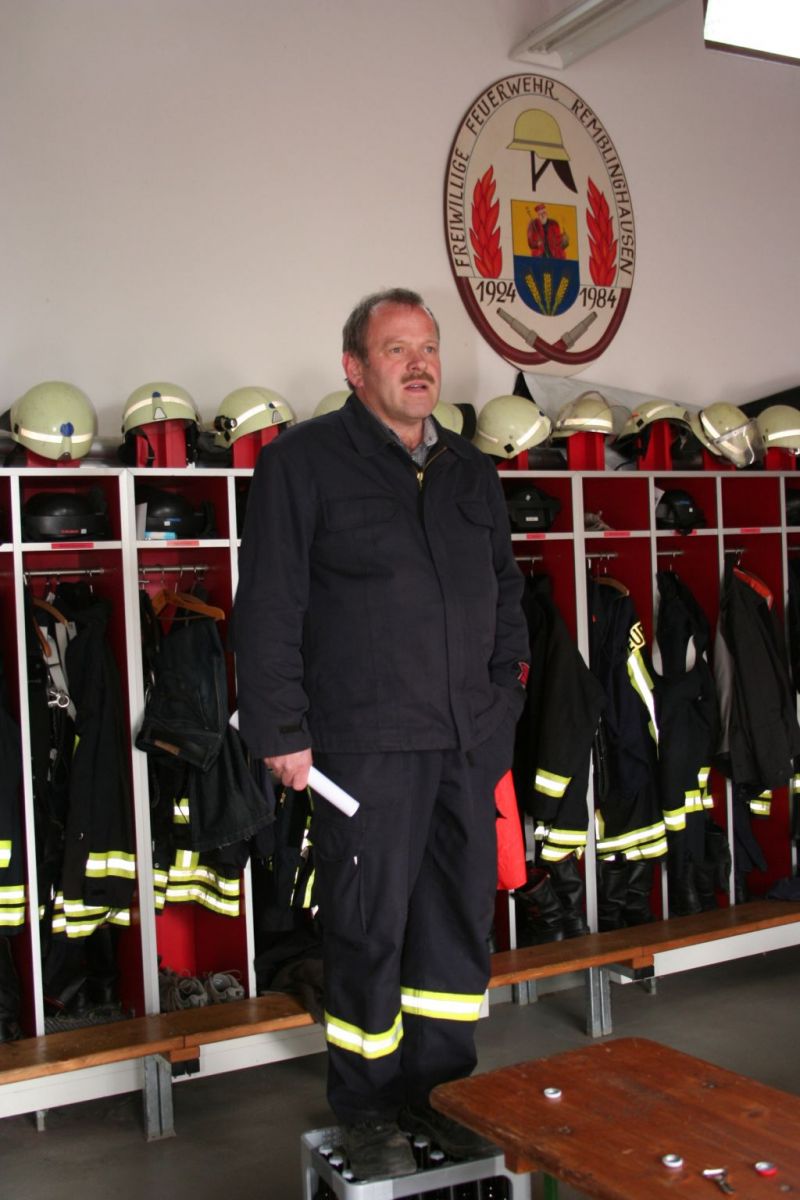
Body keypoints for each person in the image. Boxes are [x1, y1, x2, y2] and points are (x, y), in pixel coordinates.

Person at [232, 288, 529, 1180]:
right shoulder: (302, 463)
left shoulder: (471, 472)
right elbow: (270, 603)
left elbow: (506, 597)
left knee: (455, 926)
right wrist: (281, 729)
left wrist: (502, 704)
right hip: (363, 748)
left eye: (428, 347)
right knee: (368, 929)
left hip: (465, 743)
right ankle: (366, 1110)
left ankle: (439, 1094)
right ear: (355, 368)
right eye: (396, 349)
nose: (418, 363)